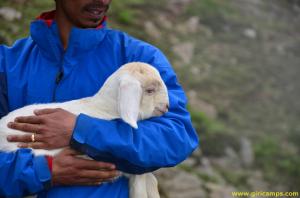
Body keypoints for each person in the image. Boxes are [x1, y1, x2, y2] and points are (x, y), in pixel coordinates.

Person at [0, 0, 199, 197]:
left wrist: (81, 131)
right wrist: (42, 171)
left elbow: (175, 137)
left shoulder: (139, 60)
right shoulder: (8, 65)